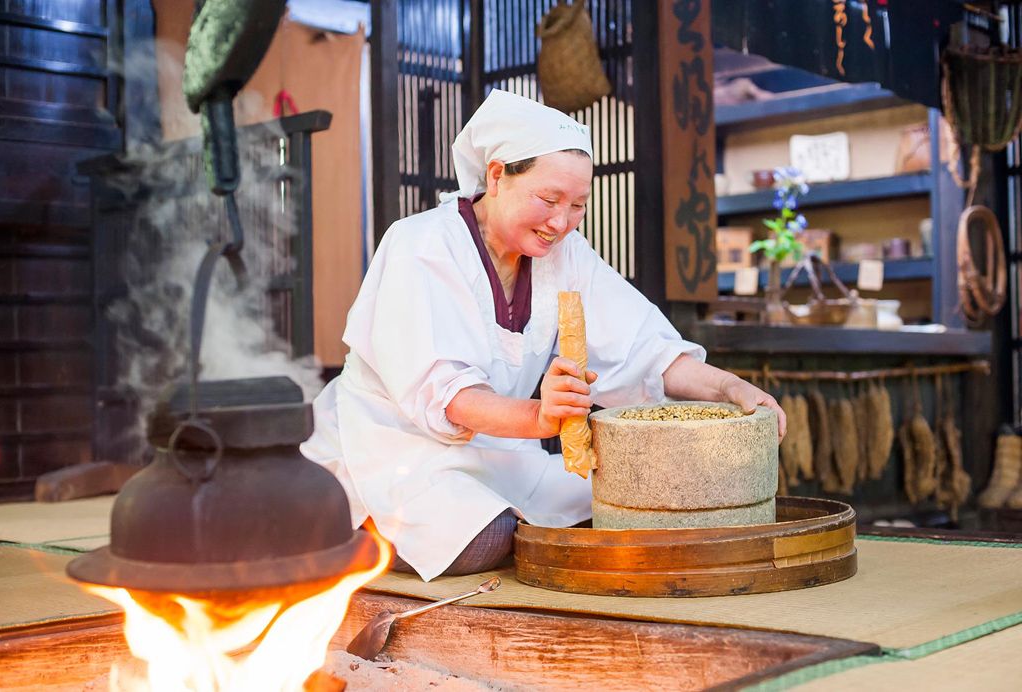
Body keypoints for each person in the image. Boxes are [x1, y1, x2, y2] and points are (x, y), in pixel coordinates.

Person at [301, 89, 785, 581]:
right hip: (393, 451)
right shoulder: (420, 244)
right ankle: (346, 525)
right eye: (548, 199)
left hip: (504, 453)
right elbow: (447, 395)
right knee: (482, 541)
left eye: (577, 205)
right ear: (496, 175)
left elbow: (643, 349)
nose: (561, 222)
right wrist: (540, 415)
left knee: (630, 502)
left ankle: (504, 519)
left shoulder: (566, 254)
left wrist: (729, 388)